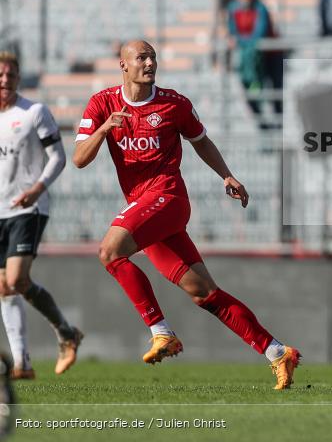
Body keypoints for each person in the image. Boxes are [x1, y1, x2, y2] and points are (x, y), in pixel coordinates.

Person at [72, 40, 299, 389]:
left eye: (153, 58)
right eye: (142, 58)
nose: (149, 63)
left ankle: (161, 331)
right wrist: (104, 129)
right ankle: (278, 352)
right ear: (124, 65)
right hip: (144, 208)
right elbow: (79, 159)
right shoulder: (103, 103)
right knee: (203, 293)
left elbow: (201, 141)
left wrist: (226, 174)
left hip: (168, 197)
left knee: (109, 252)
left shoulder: (173, 104)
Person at [0, 53, 82, 379]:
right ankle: (23, 364)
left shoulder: (33, 112)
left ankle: (65, 331)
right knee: (5, 288)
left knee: (16, 280)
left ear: (19, 78)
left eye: (11, 74)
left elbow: (58, 157)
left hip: (28, 207)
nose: (5, 79)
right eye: (1, 74)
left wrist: (37, 188)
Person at [227, 0, 284, 128]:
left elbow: (259, 35)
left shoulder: (261, 9)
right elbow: (232, 32)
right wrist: (242, 40)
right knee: (250, 94)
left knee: (276, 96)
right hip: (251, 60)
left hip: (271, 57)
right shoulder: (233, 9)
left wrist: (240, 41)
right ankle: (264, 127)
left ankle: (278, 131)